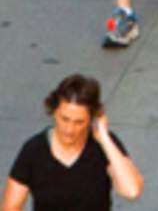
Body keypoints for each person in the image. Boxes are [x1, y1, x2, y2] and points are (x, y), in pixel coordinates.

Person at [2, 74, 143, 210]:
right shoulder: (34, 150)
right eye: (64, 119)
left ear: (91, 119)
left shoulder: (105, 146)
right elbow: (10, 206)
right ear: (53, 111)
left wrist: (104, 138)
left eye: (79, 122)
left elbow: (131, 191)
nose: (69, 130)